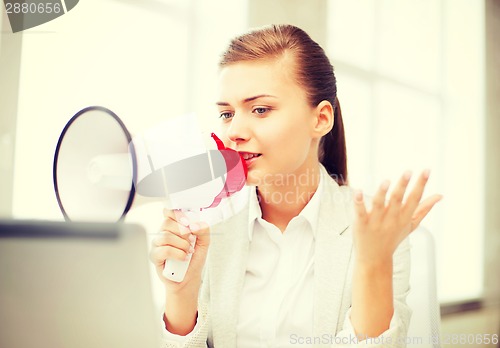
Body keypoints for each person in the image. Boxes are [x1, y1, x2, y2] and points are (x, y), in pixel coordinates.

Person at [150, 24, 442, 348]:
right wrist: (181, 293)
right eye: (226, 113)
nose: (235, 131)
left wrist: (374, 263)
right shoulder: (209, 224)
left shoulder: (375, 230)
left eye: (260, 109)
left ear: (320, 119)